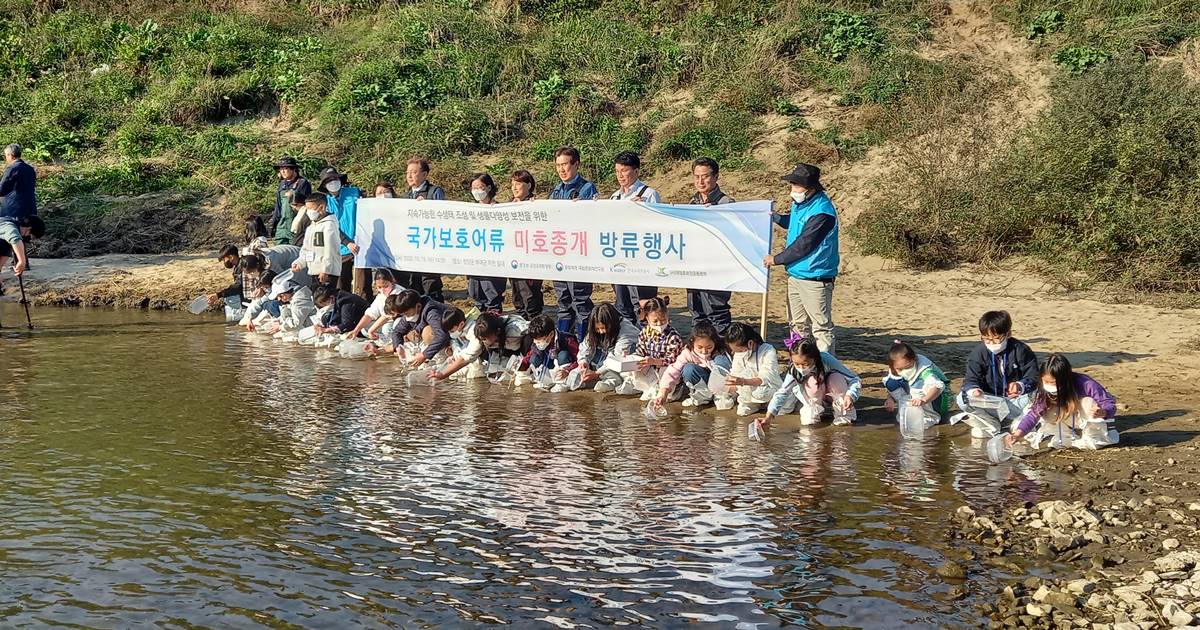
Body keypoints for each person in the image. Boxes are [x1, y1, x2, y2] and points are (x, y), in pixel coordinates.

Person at [764, 163, 839, 354]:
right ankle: (800, 364)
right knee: (797, 325)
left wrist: (777, 259)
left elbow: (805, 244)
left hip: (816, 278)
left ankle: (826, 369)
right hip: (796, 275)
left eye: (798, 185)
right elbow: (795, 222)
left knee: (821, 327)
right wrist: (778, 218)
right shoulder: (802, 204)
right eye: (793, 184)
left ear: (811, 187)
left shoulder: (823, 212)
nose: (794, 189)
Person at [1005, 353, 1119, 450]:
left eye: (1053, 383)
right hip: (1064, 418)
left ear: (1065, 379)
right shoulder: (1043, 391)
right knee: (1044, 411)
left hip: (1082, 417)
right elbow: (1033, 415)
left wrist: (1103, 412)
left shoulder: (1085, 384)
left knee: (1089, 403)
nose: (1049, 386)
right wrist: (1017, 435)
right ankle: (1066, 436)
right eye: (1046, 382)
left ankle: (1093, 437)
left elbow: (1108, 403)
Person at [954, 310, 1039, 438]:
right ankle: (991, 424)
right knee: (962, 399)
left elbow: (1034, 376)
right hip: (991, 402)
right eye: (987, 339)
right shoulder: (979, 353)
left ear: (1008, 334)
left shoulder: (1021, 350)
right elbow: (970, 380)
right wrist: (974, 390)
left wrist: (1020, 386)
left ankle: (1019, 422)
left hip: (1016, 402)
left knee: (1037, 395)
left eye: (996, 338)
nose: (992, 343)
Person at [755, 335, 861, 430]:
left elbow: (854, 380)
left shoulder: (826, 359)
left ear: (815, 358)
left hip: (832, 389)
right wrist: (769, 416)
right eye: (797, 364)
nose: (801, 368)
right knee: (809, 421)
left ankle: (843, 413)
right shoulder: (794, 370)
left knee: (836, 378)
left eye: (805, 364)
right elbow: (783, 392)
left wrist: (850, 395)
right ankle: (815, 411)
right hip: (812, 396)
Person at [550, 146, 597, 341]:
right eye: (558, 165)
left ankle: (584, 342)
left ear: (576, 164)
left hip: (578, 254)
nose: (562, 169)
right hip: (559, 253)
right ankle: (565, 343)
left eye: (565, 165)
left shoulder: (587, 188)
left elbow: (590, 219)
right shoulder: (556, 190)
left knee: (580, 300)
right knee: (563, 301)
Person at [609, 151, 660, 324]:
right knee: (622, 304)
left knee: (643, 305)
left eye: (624, 170)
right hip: (619, 258)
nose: (620, 175)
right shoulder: (614, 197)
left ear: (636, 171)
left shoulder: (649, 194)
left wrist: (641, 210)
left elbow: (657, 226)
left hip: (642, 259)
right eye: (617, 171)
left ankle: (646, 342)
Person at [686, 157, 735, 334]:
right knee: (697, 313)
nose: (700, 181)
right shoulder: (692, 202)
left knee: (717, 313)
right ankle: (698, 353)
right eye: (696, 176)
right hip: (694, 267)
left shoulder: (726, 203)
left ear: (715, 177)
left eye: (705, 176)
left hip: (716, 269)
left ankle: (722, 355)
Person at [654, 321, 734, 409]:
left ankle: (722, 395)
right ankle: (703, 397)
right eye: (700, 347)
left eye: (709, 347)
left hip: (720, 386)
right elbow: (673, 372)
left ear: (715, 342)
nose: (704, 351)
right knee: (688, 369)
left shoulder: (721, 352)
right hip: (703, 380)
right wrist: (663, 393)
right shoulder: (687, 353)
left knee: (721, 361)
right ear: (692, 343)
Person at [367, 289, 455, 368]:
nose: (406, 317)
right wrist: (398, 346)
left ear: (418, 306)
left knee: (428, 332)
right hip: (423, 337)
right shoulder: (410, 312)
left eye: (407, 314)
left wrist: (424, 355)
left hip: (450, 336)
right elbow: (397, 332)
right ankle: (382, 350)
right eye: (404, 314)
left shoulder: (432, 312)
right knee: (408, 336)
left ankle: (441, 358)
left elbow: (442, 335)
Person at [432, 312, 529, 381]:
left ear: (497, 332)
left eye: (485, 339)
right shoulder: (480, 335)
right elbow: (466, 358)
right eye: (481, 340)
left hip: (523, 347)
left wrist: (528, 359)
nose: (483, 342)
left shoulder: (516, 329)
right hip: (505, 349)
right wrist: (442, 374)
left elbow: (537, 332)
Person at [315, 167, 365, 298]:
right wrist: (346, 242)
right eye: (329, 180)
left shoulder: (355, 193)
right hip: (339, 248)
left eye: (335, 179)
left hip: (361, 244)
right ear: (324, 185)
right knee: (342, 284)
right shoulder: (324, 202)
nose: (333, 182)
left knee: (363, 284)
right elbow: (329, 226)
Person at [402, 158, 445, 302]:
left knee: (430, 284)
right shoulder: (406, 196)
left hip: (430, 247)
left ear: (424, 174)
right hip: (412, 247)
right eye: (408, 172)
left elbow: (442, 215)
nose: (409, 176)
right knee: (414, 285)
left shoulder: (435, 192)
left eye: (414, 172)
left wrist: (426, 206)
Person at [883, 340, 952, 426]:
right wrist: (890, 398)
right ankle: (906, 411)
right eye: (900, 369)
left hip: (938, 397)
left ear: (914, 359)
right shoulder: (895, 370)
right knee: (891, 383)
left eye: (908, 367)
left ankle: (929, 416)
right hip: (913, 392)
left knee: (918, 385)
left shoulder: (925, 370)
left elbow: (936, 387)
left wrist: (924, 400)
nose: (905, 371)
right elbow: (892, 385)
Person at [466, 173, 508, 312]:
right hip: (474, 260)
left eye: (480, 187)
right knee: (476, 293)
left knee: (492, 294)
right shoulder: (469, 211)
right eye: (474, 188)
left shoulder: (500, 210)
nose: (477, 191)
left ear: (489, 188)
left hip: (493, 260)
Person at [576, 302, 640, 393]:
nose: (601, 332)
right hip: (608, 354)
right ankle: (610, 378)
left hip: (627, 358)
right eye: (597, 329)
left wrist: (597, 373)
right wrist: (583, 361)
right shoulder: (595, 331)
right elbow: (586, 345)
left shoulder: (626, 331)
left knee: (622, 364)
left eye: (603, 328)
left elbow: (617, 357)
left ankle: (621, 380)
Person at [725, 322, 783, 417]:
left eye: (740, 351)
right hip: (746, 391)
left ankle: (768, 403)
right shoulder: (738, 354)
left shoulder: (768, 351)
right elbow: (735, 372)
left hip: (769, 388)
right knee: (742, 412)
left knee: (761, 393)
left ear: (750, 343)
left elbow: (766, 377)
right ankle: (755, 405)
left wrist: (743, 381)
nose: (738, 354)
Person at [508, 169, 544, 320]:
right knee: (517, 295)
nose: (514, 188)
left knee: (529, 295)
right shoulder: (509, 206)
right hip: (513, 257)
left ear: (529, 186)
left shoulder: (536, 205)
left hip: (530, 258)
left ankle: (535, 324)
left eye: (518, 184)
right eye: (512, 184)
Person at [631, 297, 683, 401]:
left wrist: (655, 361)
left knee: (667, 370)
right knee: (635, 365)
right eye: (655, 321)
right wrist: (630, 358)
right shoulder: (644, 333)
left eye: (663, 320)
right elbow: (640, 353)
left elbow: (673, 360)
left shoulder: (673, 337)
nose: (659, 324)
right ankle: (649, 387)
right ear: (647, 318)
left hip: (667, 369)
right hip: (652, 368)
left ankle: (672, 389)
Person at [291, 192, 342, 287]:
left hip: (326, 272)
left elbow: (330, 250)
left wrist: (326, 270)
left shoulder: (329, 225)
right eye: (307, 209)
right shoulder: (311, 227)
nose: (308, 212)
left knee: (325, 299)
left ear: (321, 207)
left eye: (311, 209)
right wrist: (300, 262)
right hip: (313, 270)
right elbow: (306, 249)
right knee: (316, 299)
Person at [518, 314, 579, 391]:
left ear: (551, 334)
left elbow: (579, 360)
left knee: (563, 355)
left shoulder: (567, 340)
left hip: (564, 368)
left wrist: (568, 370)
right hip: (549, 367)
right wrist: (521, 365)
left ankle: (562, 382)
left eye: (540, 339)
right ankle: (541, 379)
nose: (536, 342)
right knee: (534, 358)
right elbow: (529, 355)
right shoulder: (537, 343)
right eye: (535, 340)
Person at [344, 269, 405, 340]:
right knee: (364, 328)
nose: (382, 290)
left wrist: (371, 330)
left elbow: (388, 315)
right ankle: (381, 338)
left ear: (392, 282)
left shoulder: (399, 293)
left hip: (398, 322)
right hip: (385, 322)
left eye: (386, 286)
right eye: (379, 287)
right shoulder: (380, 296)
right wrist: (355, 330)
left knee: (386, 329)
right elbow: (370, 313)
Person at [268, 156, 311, 246]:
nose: (282, 171)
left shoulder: (303, 183)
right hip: (282, 226)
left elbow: (306, 205)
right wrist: (273, 224)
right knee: (279, 252)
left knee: (295, 252)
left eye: (286, 168)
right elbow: (278, 206)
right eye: (281, 169)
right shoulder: (282, 184)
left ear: (294, 169)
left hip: (296, 225)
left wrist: (293, 194)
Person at [0, 215, 45, 295]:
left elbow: (5, 252)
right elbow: (15, 239)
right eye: (30, 236)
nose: (28, 238)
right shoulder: (9, 226)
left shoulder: (8, 239)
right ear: (29, 229)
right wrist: (21, 261)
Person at [0, 144, 37, 220]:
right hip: (30, 209)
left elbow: (2, 189)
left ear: (11, 155)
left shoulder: (13, 168)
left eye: (6, 156)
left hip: (14, 210)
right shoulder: (30, 168)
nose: (6, 158)